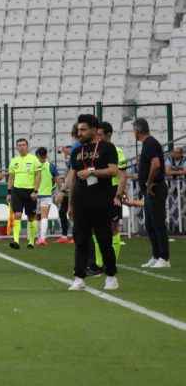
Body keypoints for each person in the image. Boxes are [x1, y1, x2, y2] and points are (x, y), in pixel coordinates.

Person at [68, 114, 119, 291]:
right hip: (81, 202)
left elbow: (113, 171)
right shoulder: (76, 151)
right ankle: (79, 277)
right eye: (78, 130)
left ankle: (111, 276)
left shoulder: (107, 148)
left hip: (101, 201)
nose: (79, 133)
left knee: (104, 240)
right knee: (80, 240)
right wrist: (70, 204)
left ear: (94, 130)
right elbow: (74, 179)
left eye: (83, 130)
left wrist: (92, 172)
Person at [134, 118, 171, 268]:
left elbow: (156, 165)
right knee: (150, 225)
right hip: (150, 191)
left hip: (155, 189)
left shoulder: (149, 143)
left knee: (158, 223)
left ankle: (164, 257)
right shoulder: (148, 143)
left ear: (138, 130)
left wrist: (149, 182)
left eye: (134, 130)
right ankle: (156, 255)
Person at [93, 122, 127, 271]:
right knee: (96, 227)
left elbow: (122, 176)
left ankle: (112, 263)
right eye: (97, 134)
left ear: (108, 135)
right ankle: (99, 263)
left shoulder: (118, 151)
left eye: (100, 134)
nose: (98, 137)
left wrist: (119, 194)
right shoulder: (94, 151)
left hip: (113, 192)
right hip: (98, 191)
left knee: (113, 228)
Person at [6, 138, 42, 249]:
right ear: (16, 147)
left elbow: (38, 176)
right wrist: (9, 192)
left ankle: (31, 241)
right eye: (19, 145)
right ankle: (16, 241)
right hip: (17, 191)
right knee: (17, 214)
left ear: (27, 146)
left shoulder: (34, 159)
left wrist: (35, 191)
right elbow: (11, 177)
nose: (21, 147)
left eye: (23, 145)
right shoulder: (14, 160)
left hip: (30, 191)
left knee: (31, 217)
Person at [35, 147, 60, 246]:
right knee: (44, 217)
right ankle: (42, 238)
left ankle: (38, 237)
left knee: (37, 217)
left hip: (35, 195)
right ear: (46, 155)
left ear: (37, 155)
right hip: (46, 195)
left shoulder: (34, 165)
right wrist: (60, 192)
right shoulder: (51, 166)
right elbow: (58, 180)